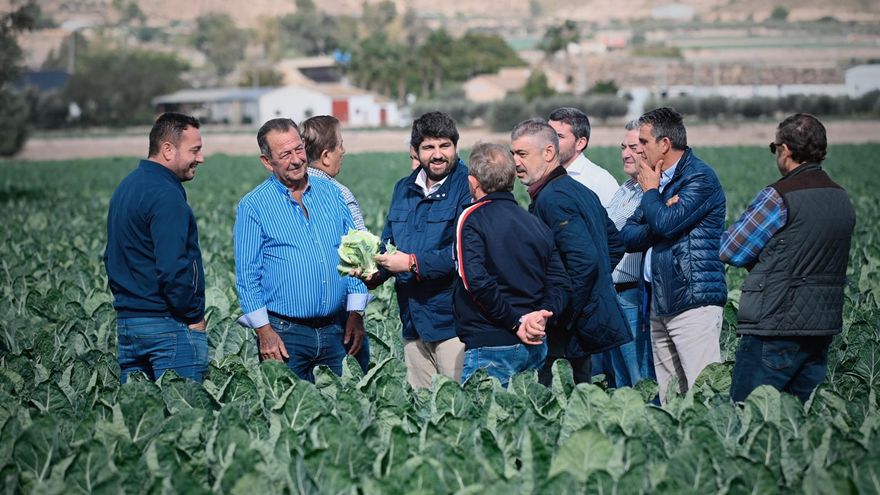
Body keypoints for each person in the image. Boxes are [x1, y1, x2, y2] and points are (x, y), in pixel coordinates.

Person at [722, 114, 855, 403]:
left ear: (786, 151)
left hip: (775, 325)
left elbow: (731, 249)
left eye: (775, 147)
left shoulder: (779, 196)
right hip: (822, 326)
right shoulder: (842, 198)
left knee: (752, 415)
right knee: (803, 421)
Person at [234, 118, 367, 383]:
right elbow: (248, 276)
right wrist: (264, 331)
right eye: (285, 154)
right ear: (266, 161)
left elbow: (356, 255)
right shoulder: (253, 206)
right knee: (290, 415)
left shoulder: (333, 194)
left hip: (337, 328)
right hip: (285, 335)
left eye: (299, 149)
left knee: (345, 412)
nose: (296, 159)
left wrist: (356, 313)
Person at [510, 118, 630, 386]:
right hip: (581, 322)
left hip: (567, 328)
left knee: (560, 399)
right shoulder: (577, 190)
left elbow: (584, 261)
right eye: (513, 154)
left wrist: (561, 309)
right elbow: (614, 245)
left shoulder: (554, 199)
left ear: (549, 153)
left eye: (522, 154)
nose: (516, 162)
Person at [620, 107, 727, 403]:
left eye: (643, 142)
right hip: (661, 300)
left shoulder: (699, 179)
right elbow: (628, 235)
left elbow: (666, 222)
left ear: (664, 144)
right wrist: (659, 211)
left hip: (693, 300)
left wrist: (653, 196)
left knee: (702, 393)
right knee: (671, 397)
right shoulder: (656, 180)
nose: (637, 149)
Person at [361, 112, 471, 388]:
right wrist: (373, 273)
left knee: (457, 407)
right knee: (422, 410)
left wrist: (412, 263)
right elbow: (389, 244)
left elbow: (464, 255)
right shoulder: (404, 189)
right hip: (413, 323)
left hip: (453, 324)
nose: (438, 154)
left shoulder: (468, 186)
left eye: (445, 146)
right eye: (429, 147)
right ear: (414, 151)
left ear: (456, 146)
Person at [454, 142, 571, 387]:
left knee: (483, 421)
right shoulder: (534, 222)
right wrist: (542, 316)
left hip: (490, 343)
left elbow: (475, 280)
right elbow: (560, 282)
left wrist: (515, 321)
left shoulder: (471, 218)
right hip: (535, 341)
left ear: (473, 182)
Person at [104, 112, 208, 383]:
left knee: (141, 417)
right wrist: (193, 315)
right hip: (165, 325)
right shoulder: (165, 195)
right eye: (195, 150)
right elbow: (173, 268)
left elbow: (111, 256)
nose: (201, 158)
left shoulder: (127, 187)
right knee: (185, 416)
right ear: (168, 149)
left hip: (129, 325)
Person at [300, 115, 370, 372]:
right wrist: (357, 312)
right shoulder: (339, 194)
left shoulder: (284, 189)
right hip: (338, 316)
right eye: (340, 144)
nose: (344, 150)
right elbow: (360, 257)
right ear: (327, 155)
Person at [602, 120, 656, 388]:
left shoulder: (649, 193)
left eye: (633, 147)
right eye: (623, 147)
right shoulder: (625, 189)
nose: (625, 153)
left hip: (631, 293)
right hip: (613, 294)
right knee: (620, 377)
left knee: (640, 377)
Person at [548, 107, 619, 207]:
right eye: (548, 135)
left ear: (580, 143)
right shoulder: (543, 175)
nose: (550, 142)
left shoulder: (600, 180)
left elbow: (613, 221)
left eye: (559, 136)